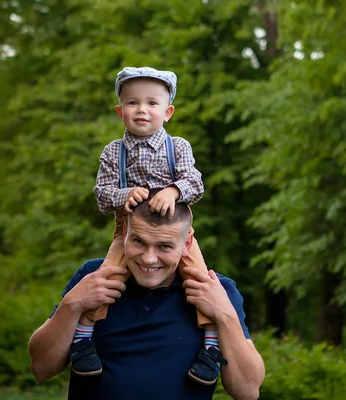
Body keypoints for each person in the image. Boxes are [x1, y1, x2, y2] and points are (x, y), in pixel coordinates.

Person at [28, 196, 265, 400]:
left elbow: (247, 391)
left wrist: (224, 314)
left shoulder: (216, 290)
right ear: (124, 235)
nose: (149, 258)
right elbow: (41, 368)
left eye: (164, 246)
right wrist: (73, 304)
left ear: (187, 244)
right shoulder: (94, 278)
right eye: (139, 241)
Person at [74, 66, 219, 384]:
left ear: (167, 112)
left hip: (175, 233)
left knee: (202, 282)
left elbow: (195, 182)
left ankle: (211, 347)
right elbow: (101, 197)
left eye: (152, 103)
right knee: (105, 277)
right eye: (132, 103)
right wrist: (124, 194)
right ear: (120, 111)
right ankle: (83, 339)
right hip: (129, 233)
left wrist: (172, 190)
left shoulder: (177, 147)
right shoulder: (113, 152)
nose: (142, 110)